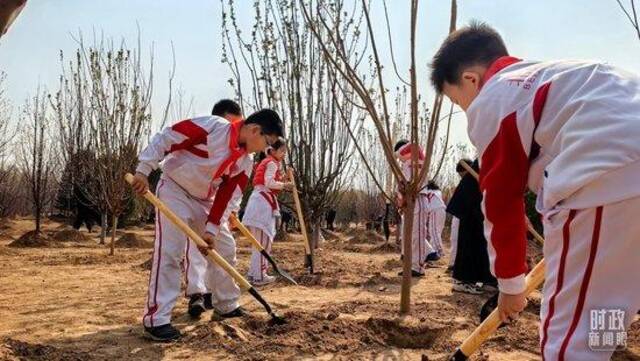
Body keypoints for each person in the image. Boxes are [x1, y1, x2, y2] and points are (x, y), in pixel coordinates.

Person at [431, 22, 640, 360]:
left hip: (608, 179)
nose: (466, 111)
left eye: (458, 102)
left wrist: (511, 286)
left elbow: (500, 199)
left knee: (568, 343)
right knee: (606, 307)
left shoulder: (496, 95)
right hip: (621, 179)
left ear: (471, 79)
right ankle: (604, 352)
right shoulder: (556, 78)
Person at [130, 104, 284, 342]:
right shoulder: (212, 127)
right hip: (174, 189)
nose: (267, 149)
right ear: (255, 130)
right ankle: (157, 320)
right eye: (268, 142)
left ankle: (227, 305)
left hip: (205, 201)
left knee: (224, 248)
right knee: (170, 252)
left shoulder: (245, 162)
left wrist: (211, 229)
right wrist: (143, 170)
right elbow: (167, 137)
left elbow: (227, 197)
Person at [242, 138, 294, 286]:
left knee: (259, 243)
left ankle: (254, 274)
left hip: (259, 201)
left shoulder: (268, 163)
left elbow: (270, 182)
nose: (284, 154)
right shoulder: (271, 163)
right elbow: (269, 183)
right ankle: (259, 276)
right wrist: (285, 185)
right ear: (272, 151)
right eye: (282, 151)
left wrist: (284, 178)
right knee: (263, 244)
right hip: (262, 204)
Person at [446, 159, 496, 295]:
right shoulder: (494, 151)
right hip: (471, 200)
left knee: (482, 242)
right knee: (470, 241)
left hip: (480, 198)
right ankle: (462, 281)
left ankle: (486, 280)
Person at [394, 140, 437, 277]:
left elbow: (413, 145)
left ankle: (418, 267)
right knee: (408, 236)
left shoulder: (417, 160)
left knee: (417, 235)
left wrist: (396, 153)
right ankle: (409, 264)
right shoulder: (407, 165)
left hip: (418, 199)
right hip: (409, 202)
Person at [425, 180, 446, 259]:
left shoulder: (428, 191)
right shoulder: (438, 191)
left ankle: (439, 252)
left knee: (434, 232)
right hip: (442, 210)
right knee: (437, 232)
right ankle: (435, 250)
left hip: (435, 210)